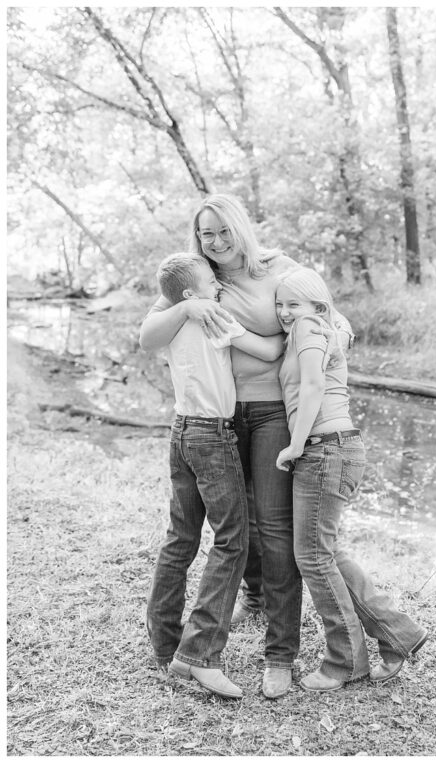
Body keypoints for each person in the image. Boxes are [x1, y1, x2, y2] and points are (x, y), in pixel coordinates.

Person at [140, 194, 306, 699]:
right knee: (233, 535)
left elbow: (309, 320)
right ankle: (196, 653)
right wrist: (195, 303)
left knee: (218, 533)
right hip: (216, 427)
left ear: (240, 226)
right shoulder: (195, 288)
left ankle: (178, 646)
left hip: (240, 417)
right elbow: (149, 332)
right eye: (205, 235)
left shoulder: (275, 269)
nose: (214, 243)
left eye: (220, 231)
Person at [273, 267, 427, 690]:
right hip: (338, 448)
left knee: (314, 557)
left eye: (294, 304)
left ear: (317, 306)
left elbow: (312, 386)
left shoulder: (308, 327)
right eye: (280, 304)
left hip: (324, 448)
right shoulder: (321, 328)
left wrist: (296, 444)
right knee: (326, 552)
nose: (285, 312)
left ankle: (345, 662)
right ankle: (399, 634)